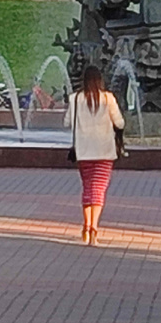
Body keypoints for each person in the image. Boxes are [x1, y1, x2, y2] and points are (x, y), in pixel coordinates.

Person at [65, 65, 125, 245]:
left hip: (83, 151)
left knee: (87, 187)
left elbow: (67, 122)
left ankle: (86, 225)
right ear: (100, 80)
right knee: (99, 189)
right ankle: (94, 229)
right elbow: (120, 123)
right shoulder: (108, 98)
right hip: (104, 151)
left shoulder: (75, 98)